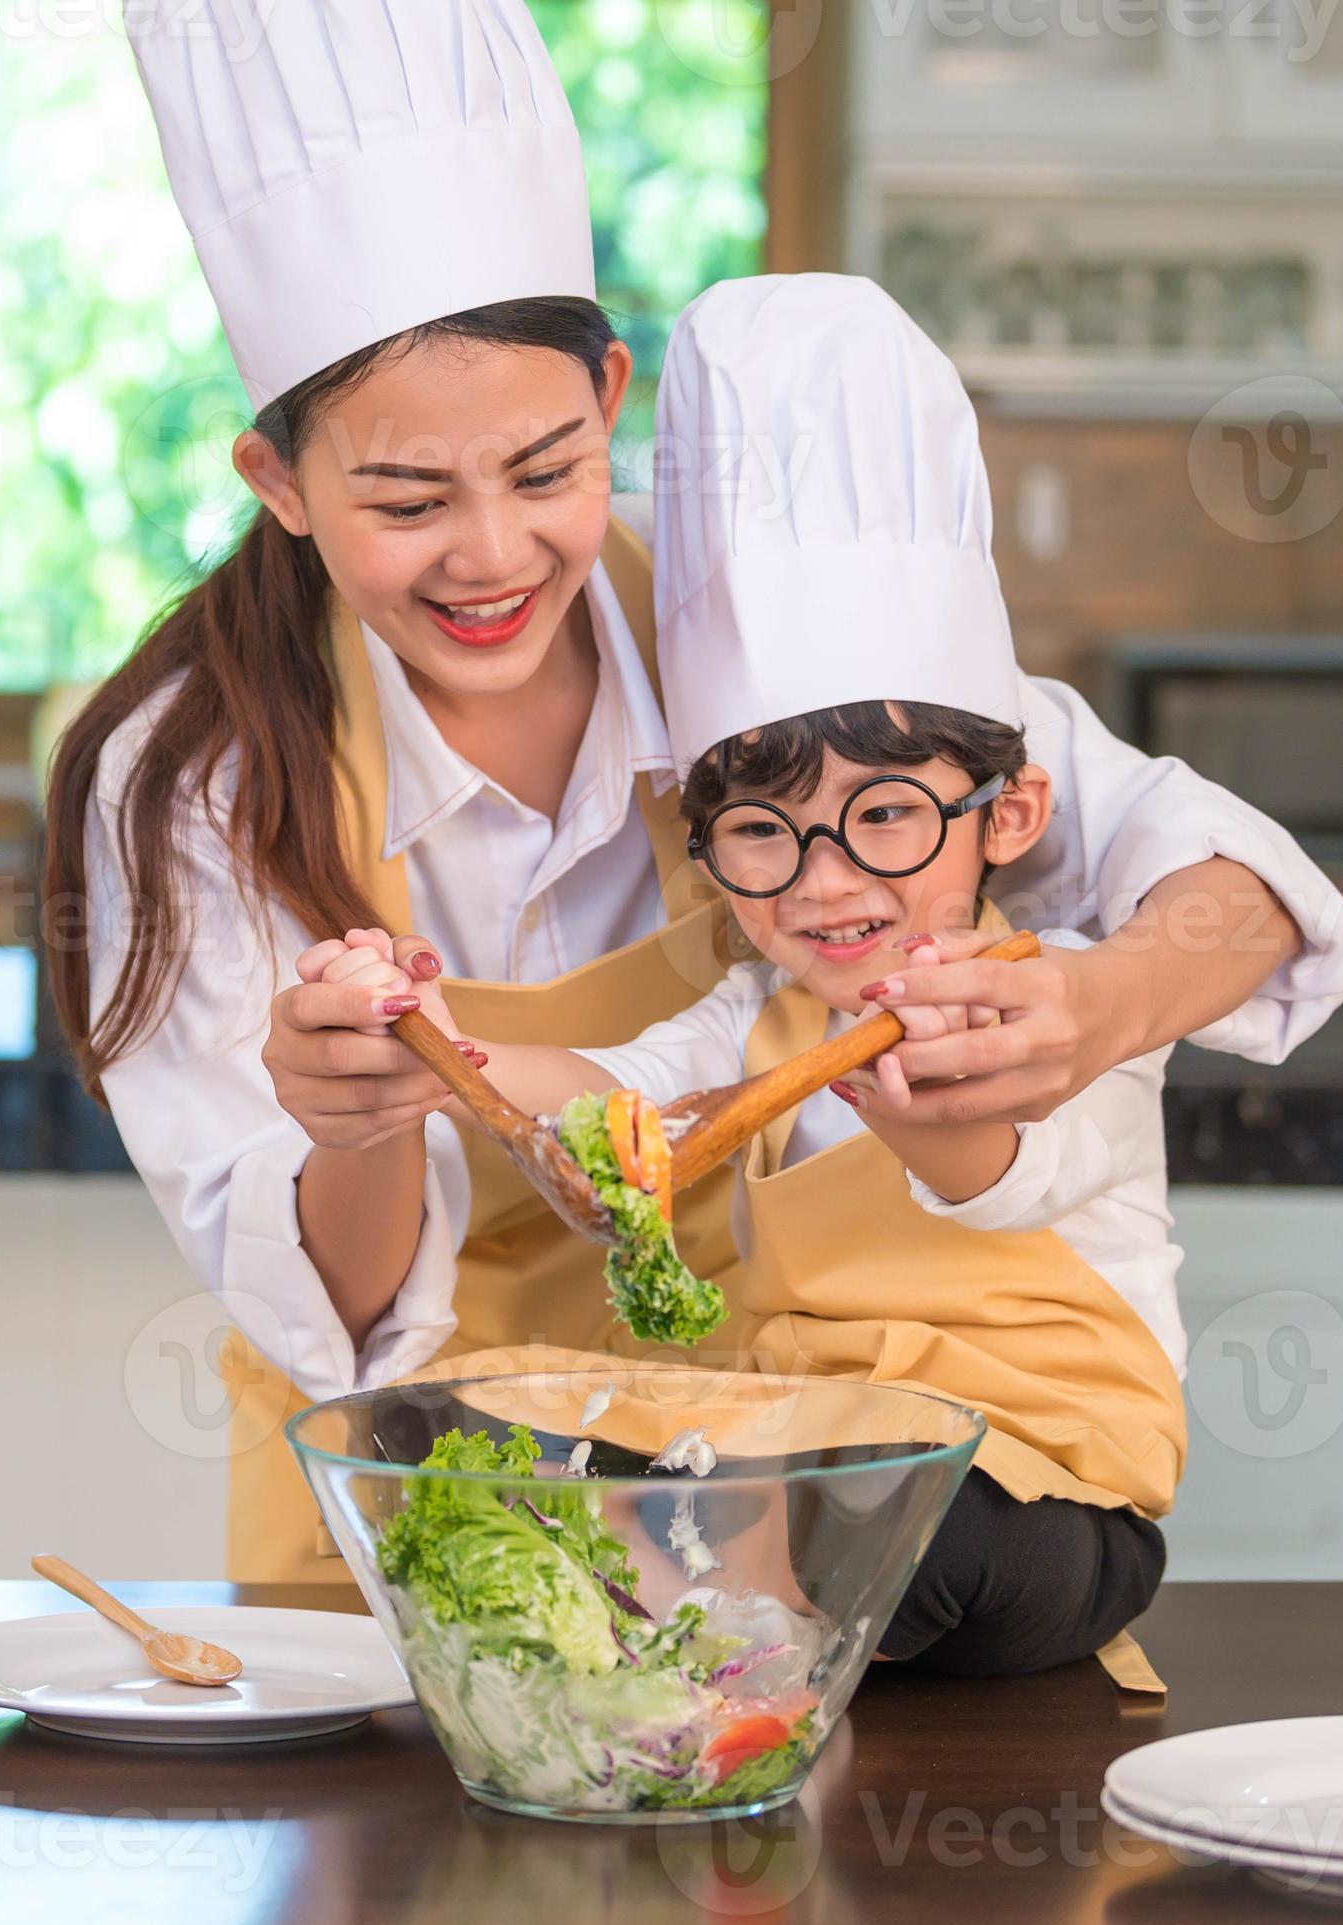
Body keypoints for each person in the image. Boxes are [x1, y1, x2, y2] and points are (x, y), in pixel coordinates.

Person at [47, 2, 1343, 1582]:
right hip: (424, 1519)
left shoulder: (759, 620)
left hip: (782, 1493)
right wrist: (362, 1120)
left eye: (543, 471)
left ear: (610, 400)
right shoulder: (187, 779)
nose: (489, 555)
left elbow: (1209, 870)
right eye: (404, 500)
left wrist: (1100, 1005)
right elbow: (324, 1309)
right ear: (281, 487)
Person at [301, 274, 1251, 1676]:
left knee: (893, 1514)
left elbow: (1010, 1164)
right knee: (437, 1431)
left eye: (883, 820)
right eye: (761, 836)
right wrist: (430, 1045)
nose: (822, 883)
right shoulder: (758, 1011)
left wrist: (931, 1100)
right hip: (790, 1466)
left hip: (1041, 1493)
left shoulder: (1052, 1002)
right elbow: (616, 1093)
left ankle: (687, 1606)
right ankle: (696, 1607)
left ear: (1009, 817)